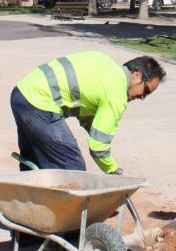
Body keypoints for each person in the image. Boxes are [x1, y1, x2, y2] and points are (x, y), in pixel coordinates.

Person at [11, 51, 166, 174]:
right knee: (72, 167)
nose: (143, 97)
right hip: (40, 104)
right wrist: (112, 170)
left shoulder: (105, 63)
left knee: (33, 160)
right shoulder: (117, 93)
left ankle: (28, 207)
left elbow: (85, 107)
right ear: (136, 75)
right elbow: (98, 146)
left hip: (21, 94)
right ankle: (66, 213)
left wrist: (92, 129)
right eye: (146, 91)